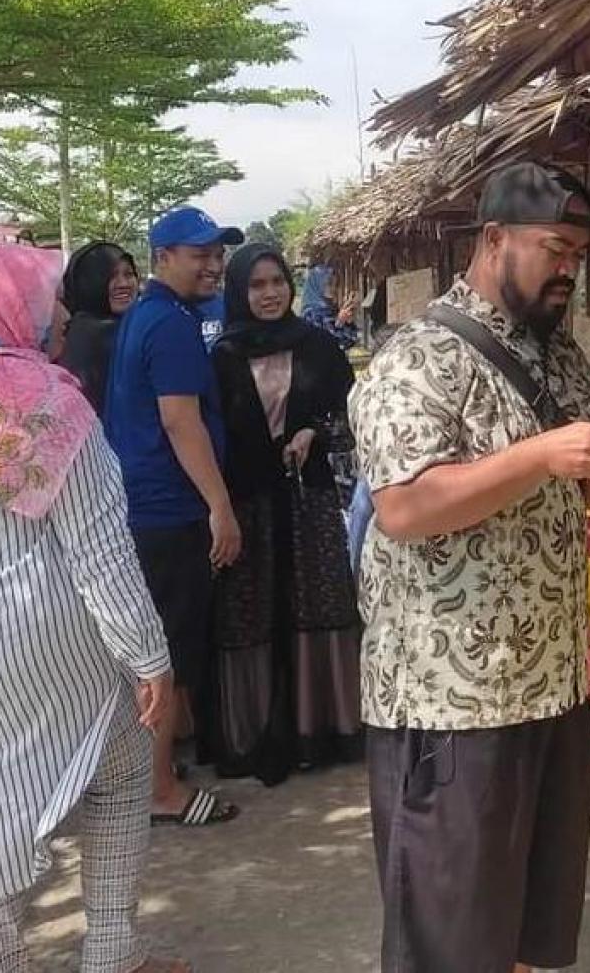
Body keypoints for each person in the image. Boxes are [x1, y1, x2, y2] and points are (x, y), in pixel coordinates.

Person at [350, 161, 590, 973]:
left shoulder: (561, 356)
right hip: (452, 701)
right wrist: (538, 455)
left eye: (578, 254)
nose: (569, 269)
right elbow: (405, 507)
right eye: (554, 248)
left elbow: (587, 490)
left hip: (552, 689)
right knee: (452, 944)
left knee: (525, 929)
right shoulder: (418, 358)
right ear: (493, 239)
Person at [0, 236, 186, 973]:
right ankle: (111, 953)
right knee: (124, 766)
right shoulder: (37, 400)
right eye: (45, 300)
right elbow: (101, 551)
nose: (60, 314)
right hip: (40, 640)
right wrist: (150, 657)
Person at [104, 205, 244, 827]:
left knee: (159, 644)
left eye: (217, 253)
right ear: (163, 257)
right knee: (168, 649)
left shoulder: (149, 315)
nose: (212, 265)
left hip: (147, 505)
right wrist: (220, 506)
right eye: (199, 254)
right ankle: (160, 789)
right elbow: (180, 420)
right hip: (168, 507)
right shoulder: (169, 325)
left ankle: (153, 771)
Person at [209, 243, 362, 784]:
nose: (270, 293)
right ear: (239, 291)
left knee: (313, 602)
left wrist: (312, 431)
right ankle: (255, 732)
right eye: (257, 285)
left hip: (306, 501)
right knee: (252, 610)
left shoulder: (317, 345)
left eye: (277, 282)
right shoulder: (223, 355)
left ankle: (319, 728)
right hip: (248, 503)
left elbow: (349, 412)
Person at [59, 240, 140, 413]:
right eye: (110, 276)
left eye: (129, 274)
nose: (123, 284)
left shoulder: (79, 326)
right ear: (88, 282)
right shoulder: (98, 334)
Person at [300, 264, 358, 349]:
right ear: (317, 284)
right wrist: (339, 323)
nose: (333, 289)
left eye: (336, 284)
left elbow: (349, 341)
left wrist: (348, 322)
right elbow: (322, 343)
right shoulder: (310, 314)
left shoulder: (331, 309)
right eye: (329, 284)